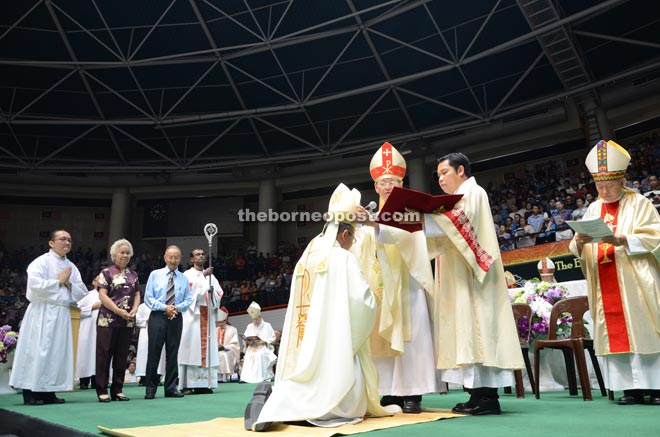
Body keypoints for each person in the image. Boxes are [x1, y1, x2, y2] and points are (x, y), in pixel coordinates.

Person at [250, 183, 397, 431]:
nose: (354, 242)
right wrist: (374, 298)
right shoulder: (343, 257)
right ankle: (324, 407)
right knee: (346, 391)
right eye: (353, 236)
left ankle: (288, 404)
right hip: (334, 342)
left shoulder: (309, 253)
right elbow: (363, 303)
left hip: (306, 338)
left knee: (305, 375)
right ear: (344, 235)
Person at [423, 153, 524, 415]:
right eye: (438, 175)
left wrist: (421, 219)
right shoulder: (457, 198)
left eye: (444, 173)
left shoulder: (472, 192)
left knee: (479, 333)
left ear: (460, 170)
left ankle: (488, 398)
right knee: (467, 332)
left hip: (474, 279)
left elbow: (459, 224)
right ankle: (476, 395)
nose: (440, 179)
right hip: (461, 277)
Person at [570, 140, 660, 405]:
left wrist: (624, 240)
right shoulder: (593, 208)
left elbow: (656, 237)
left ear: (622, 181)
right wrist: (580, 242)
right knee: (614, 335)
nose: (604, 190)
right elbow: (576, 243)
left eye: (609, 185)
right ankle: (629, 389)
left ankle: (655, 388)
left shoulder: (640, 203)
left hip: (634, 279)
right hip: (605, 280)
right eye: (599, 186)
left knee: (644, 329)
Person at [356, 142, 438, 414]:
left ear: (401, 183)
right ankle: (390, 392)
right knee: (381, 338)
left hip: (408, 284)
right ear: (376, 186)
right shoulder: (370, 216)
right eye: (383, 182)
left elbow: (411, 237)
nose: (388, 186)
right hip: (380, 285)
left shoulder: (409, 209)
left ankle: (413, 393)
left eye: (392, 181)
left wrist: (375, 225)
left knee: (412, 338)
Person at [9, 229, 88, 405]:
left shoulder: (71, 267)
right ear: (51, 243)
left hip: (61, 312)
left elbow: (81, 291)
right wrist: (58, 282)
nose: (67, 242)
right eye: (62, 239)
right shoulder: (40, 262)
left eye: (69, 240)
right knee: (37, 351)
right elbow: (34, 287)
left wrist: (67, 282)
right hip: (42, 312)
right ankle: (30, 393)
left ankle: (48, 392)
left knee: (56, 353)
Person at [143, 245, 192, 399]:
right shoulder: (155, 275)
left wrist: (175, 308)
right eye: (170, 257)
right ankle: (150, 389)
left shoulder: (184, 278)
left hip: (175, 318)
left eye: (176, 257)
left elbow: (188, 300)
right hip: (157, 317)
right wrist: (165, 308)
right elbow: (148, 298)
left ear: (180, 259)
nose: (173, 260)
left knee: (173, 354)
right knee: (153, 353)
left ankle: (171, 388)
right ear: (165, 258)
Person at [95, 238, 140, 403]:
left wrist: (135, 308)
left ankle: (118, 389)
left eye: (128, 253)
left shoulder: (133, 275)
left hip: (127, 320)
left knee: (122, 355)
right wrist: (118, 310)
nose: (125, 255)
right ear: (114, 255)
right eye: (122, 252)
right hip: (108, 319)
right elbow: (102, 295)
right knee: (104, 354)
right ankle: (101, 389)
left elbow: (136, 294)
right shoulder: (106, 273)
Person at [179, 248, 223, 394]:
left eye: (203, 254)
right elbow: (187, 293)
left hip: (207, 314)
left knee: (207, 350)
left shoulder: (212, 277)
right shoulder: (187, 275)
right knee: (191, 349)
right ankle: (187, 384)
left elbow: (219, 293)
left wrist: (212, 293)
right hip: (193, 316)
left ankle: (204, 384)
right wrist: (203, 277)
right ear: (191, 259)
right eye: (197, 254)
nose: (201, 256)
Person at [240, 301, 277, 383]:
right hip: (252, 347)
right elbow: (245, 339)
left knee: (259, 355)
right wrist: (247, 342)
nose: (255, 322)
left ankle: (261, 377)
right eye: (253, 319)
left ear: (260, 317)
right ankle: (246, 378)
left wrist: (264, 341)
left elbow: (273, 338)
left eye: (256, 319)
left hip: (263, 347)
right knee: (249, 356)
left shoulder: (267, 325)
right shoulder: (249, 326)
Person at [76, 275, 102, 390]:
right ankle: (84, 380)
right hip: (87, 329)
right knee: (86, 353)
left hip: (102, 329)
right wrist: (91, 307)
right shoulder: (86, 295)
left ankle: (98, 380)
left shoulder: (109, 295)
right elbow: (76, 311)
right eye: (98, 279)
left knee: (99, 354)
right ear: (94, 282)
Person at [134, 302, 165, 383]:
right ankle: (143, 377)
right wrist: (147, 320)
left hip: (159, 331)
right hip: (145, 332)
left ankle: (157, 376)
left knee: (158, 352)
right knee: (143, 354)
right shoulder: (142, 306)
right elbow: (137, 319)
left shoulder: (161, 305)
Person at [216, 306, 240, 383]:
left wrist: (223, 347)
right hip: (216, 350)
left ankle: (225, 376)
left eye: (221, 322)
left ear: (225, 321)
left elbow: (235, 345)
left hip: (228, 350)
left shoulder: (232, 329)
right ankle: (217, 376)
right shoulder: (215, 330)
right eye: (218, 322)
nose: (219, 324)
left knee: (223, 355)